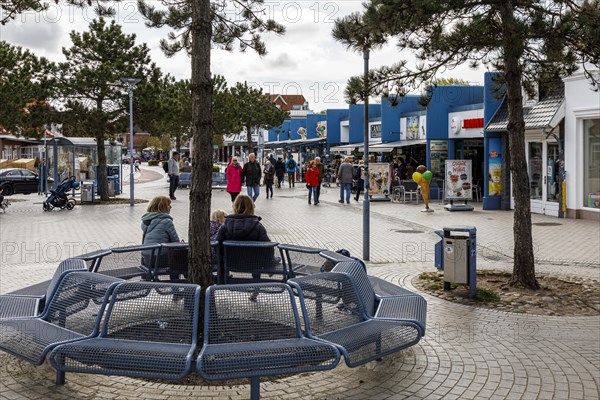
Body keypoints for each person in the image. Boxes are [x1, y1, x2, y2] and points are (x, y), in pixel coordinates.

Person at [141, 196, 182, 279]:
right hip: (160, 259)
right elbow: (176, 241)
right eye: (168, 205)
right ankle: (176, 286)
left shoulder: (146, 221)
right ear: (161, 207)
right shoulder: (166, 221)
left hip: (147, 259)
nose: (171, 207)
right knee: (178, 259)